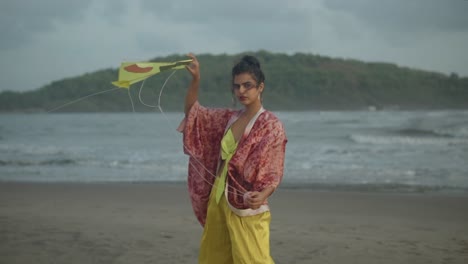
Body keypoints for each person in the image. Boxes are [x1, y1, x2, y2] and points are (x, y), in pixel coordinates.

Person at [177, 53, 287, 263]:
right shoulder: (229, 118)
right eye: (237, 86)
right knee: (214, 259)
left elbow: (274, 168)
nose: (242, 91)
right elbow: (194, 114)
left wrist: (263, 193)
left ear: (260, 87)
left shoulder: (270, 125)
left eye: (248, 85)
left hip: (247, 203)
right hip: (217, 199)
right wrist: (196, 79)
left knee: (252, 260)